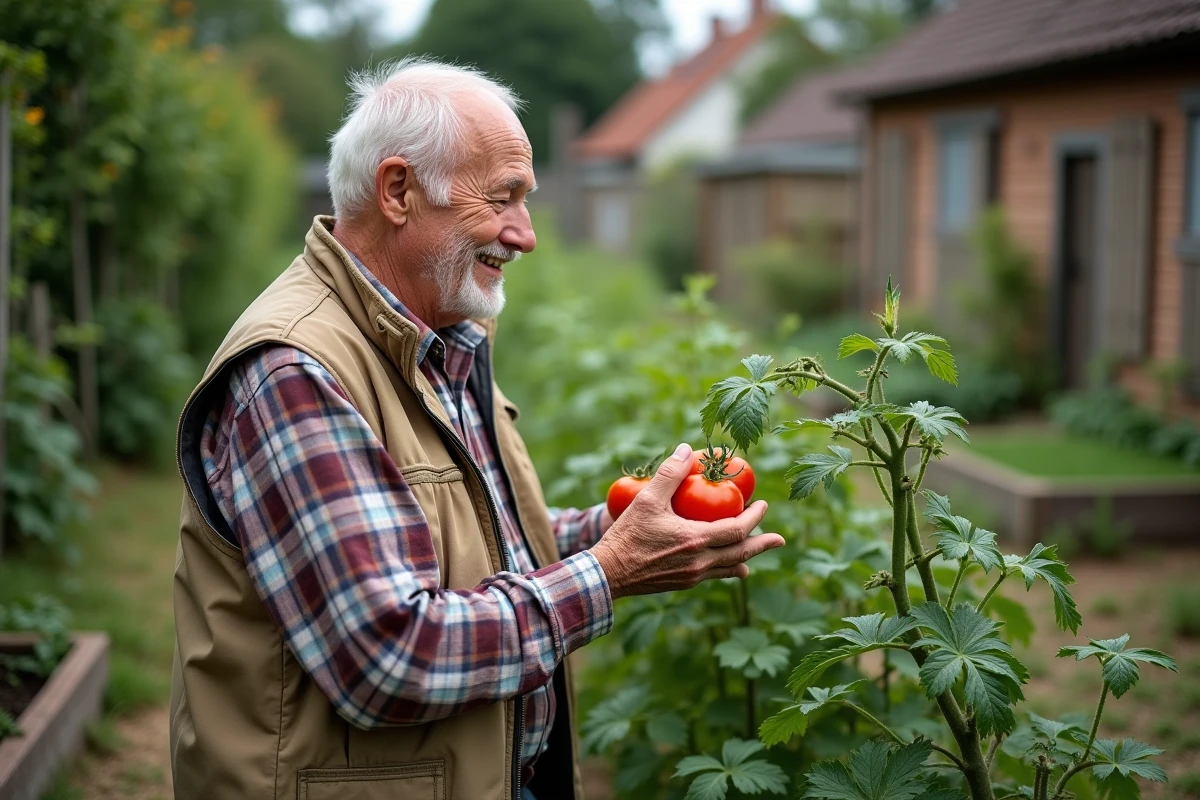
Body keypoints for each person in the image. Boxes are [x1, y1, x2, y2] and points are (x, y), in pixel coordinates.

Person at [168, 57, 784, 800]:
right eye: (503, 199)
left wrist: (627, 527)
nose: (524, 235)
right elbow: (390, 658)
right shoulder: (298, 373)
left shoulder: (438, 338)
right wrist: (611, 573)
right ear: (398, 191)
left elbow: (475, 549)